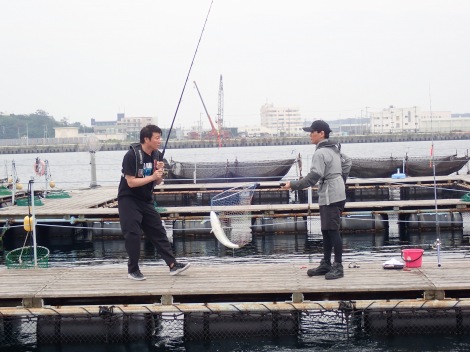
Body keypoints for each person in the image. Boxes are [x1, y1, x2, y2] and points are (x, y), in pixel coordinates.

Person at [118, 124, 190, 280]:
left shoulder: (157, 155)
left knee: (158, 230)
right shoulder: (131, 156)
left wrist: (159, 174)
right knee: (133, 234)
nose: (160, 141)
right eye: (157, 138)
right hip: (128, 199)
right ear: (146, 139)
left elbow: (157, 183)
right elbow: (130, 182)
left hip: (145, 199)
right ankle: (133, 270)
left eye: (160, 137)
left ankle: (172, 265)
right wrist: (152, 176)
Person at [281, 120, 351, 280]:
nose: (310, 135)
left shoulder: (320, 152)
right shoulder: (334, 148)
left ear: (321, 133)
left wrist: (292, 184)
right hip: (335, 193)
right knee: (326, 230)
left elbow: (313, 178)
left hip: (331, 195)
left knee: (332, 231)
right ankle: (326, 263)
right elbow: (348, 162)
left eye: (312, 132)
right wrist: (341, 179)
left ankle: (338, 267)